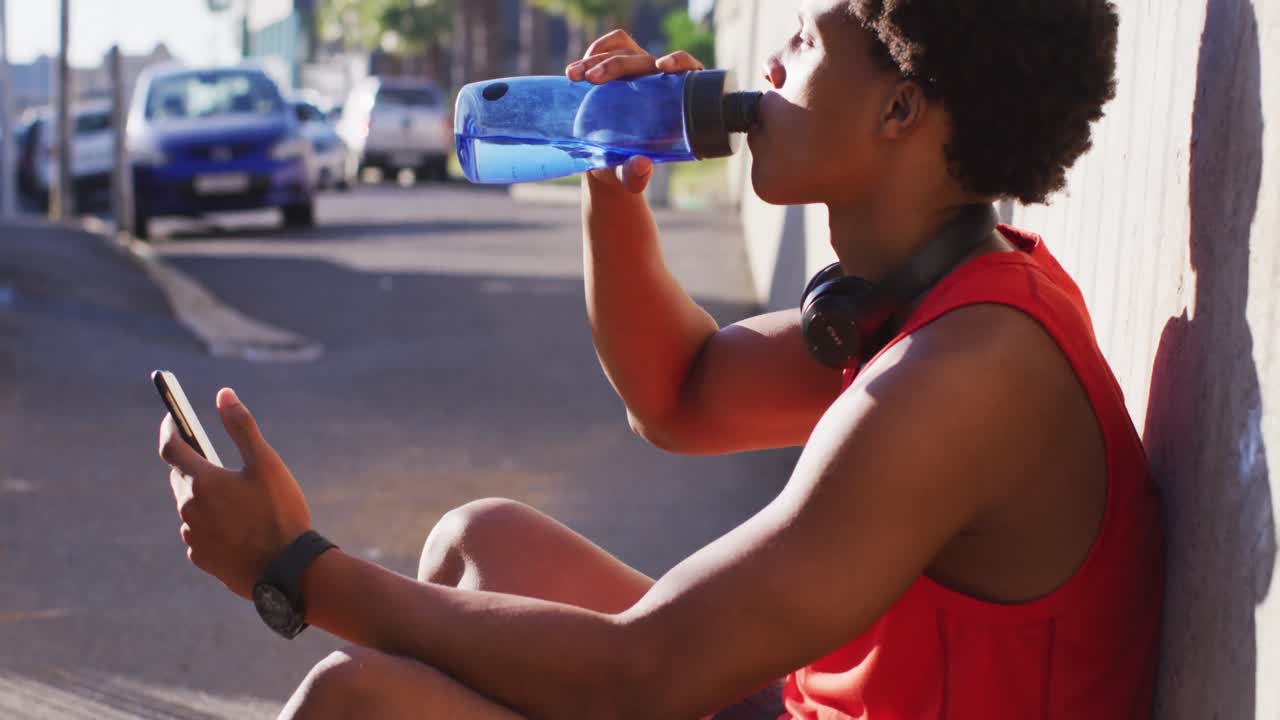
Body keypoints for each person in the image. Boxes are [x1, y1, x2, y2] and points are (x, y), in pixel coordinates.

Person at [157, 1, 1164, 717]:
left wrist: (291, 566)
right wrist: (613, 178)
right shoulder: (927, 303)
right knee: (480, 544)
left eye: (804, 41)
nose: (769, 62)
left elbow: (640, 677)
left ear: (897, 111)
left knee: (358, 704)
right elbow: (679, 395)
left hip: (703, 686)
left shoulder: (963, 375)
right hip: (794, 705)